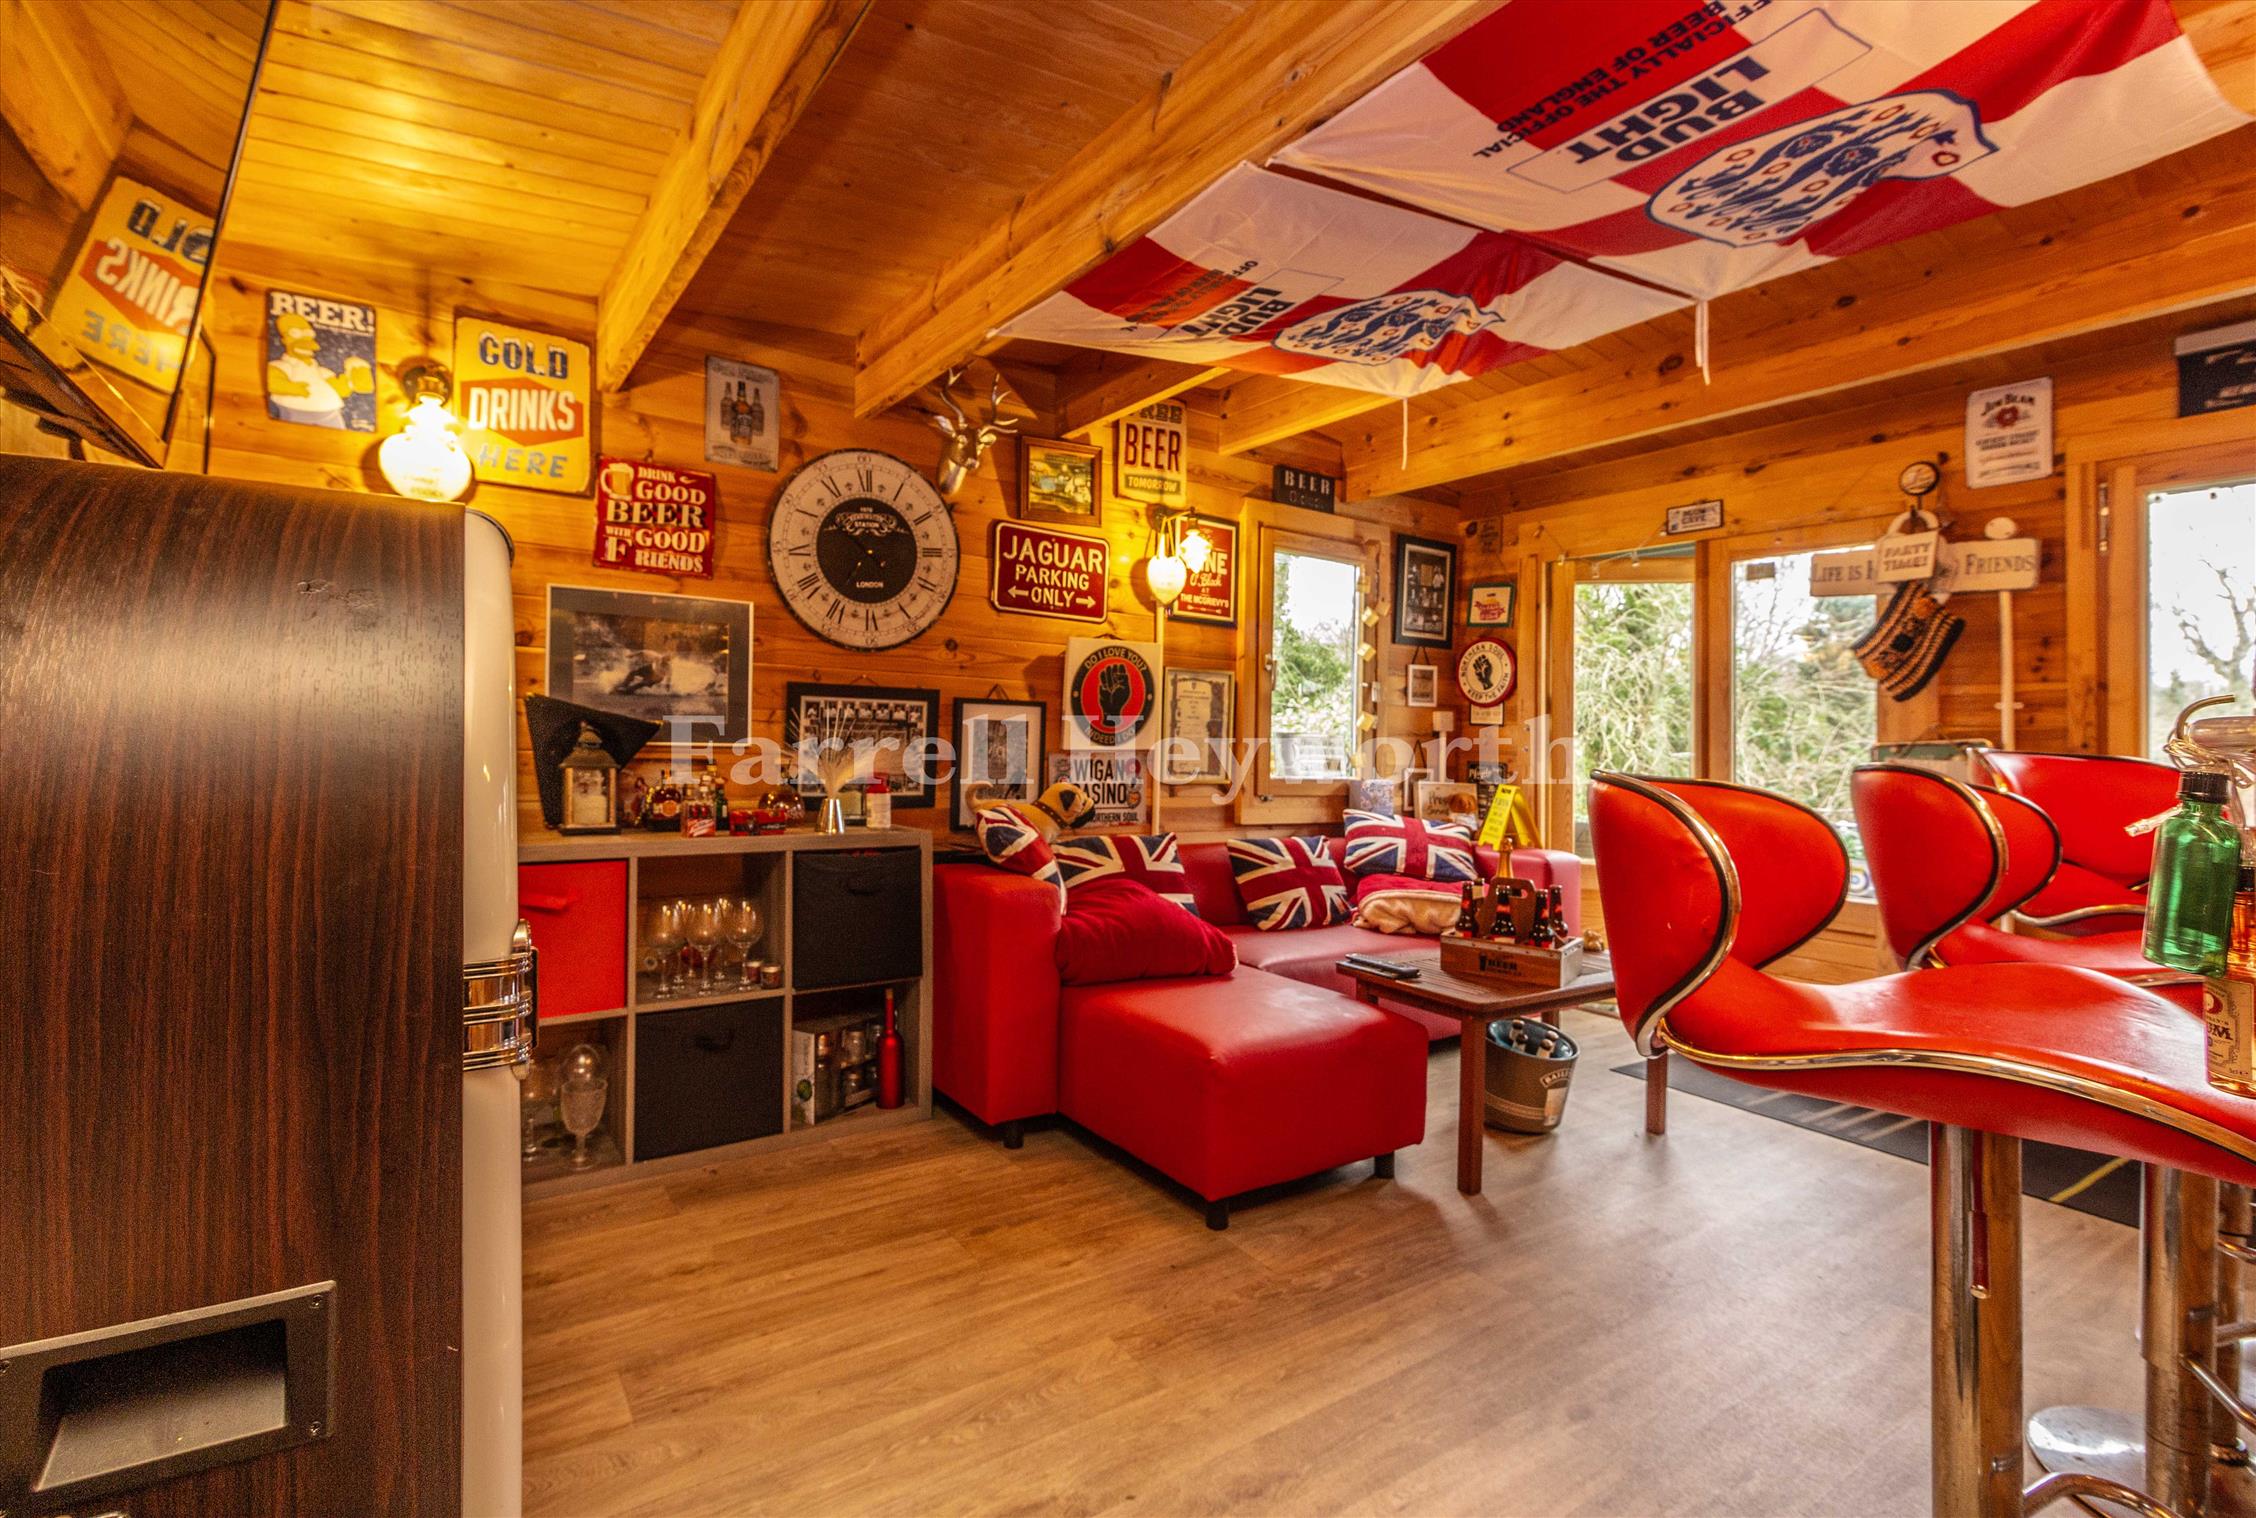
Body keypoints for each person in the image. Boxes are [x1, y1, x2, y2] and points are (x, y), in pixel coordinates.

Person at [266, 310, 372, 428]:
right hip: (295, 413)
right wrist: (294, 389)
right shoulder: (283, 366)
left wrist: (353, 380)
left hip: (330, 414)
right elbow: (273, 382)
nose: (310, 346)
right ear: (284, 340)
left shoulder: (321, 372)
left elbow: (340, 389)